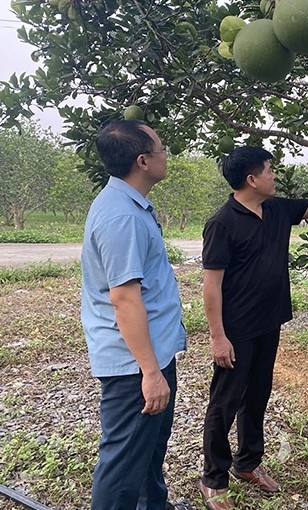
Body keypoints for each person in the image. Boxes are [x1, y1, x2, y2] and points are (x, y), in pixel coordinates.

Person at [198, 146, 308, 509]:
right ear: (252, 179)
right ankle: (213, 478)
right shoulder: (222, 223)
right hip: (237, 330)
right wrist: (218, 337)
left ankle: (247, 463)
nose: (274, 175)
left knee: (258, 395)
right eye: (269, 169)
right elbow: (211, 284)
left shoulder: (276, 209)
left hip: (269, 321)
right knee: (224, 403)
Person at [81, 120, 189, 510]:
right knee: (124, 463)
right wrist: (149, 372)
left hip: (152, 356)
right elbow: (124, 299)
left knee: (146, 455)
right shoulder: (121, 217)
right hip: (135, 366)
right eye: (162, 149)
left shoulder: (130, 205)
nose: (166, 156)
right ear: (143, 161)